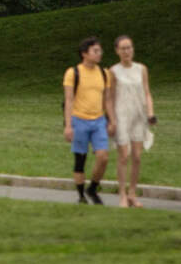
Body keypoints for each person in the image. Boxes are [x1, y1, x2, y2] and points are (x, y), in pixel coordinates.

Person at [62, 36, 116, 204]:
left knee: (103, 157)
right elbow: (69, 100)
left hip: (99, 120)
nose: (99, 54)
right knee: (81, 159)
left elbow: (107, 99)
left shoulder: (104, 73)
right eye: (95, 51)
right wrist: (68, 125)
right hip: (79, 120)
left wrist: (112, 120)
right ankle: (81, 196)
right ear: (84, 53)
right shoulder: (73, 73)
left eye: (100, 51)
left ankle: (92, 188)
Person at [109, 35, 156, 208]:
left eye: (129, 47)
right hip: (122, 115)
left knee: (136, 156)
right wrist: (111, 119)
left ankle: (132, 193)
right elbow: (110, 97)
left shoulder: (141, 68)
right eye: (123, 48)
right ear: (117, 51)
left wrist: (150, 113)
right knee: (124, 155)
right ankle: (122, 194)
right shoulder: (113, 71)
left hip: (139, 115)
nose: (127, 51)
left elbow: (147, 92)